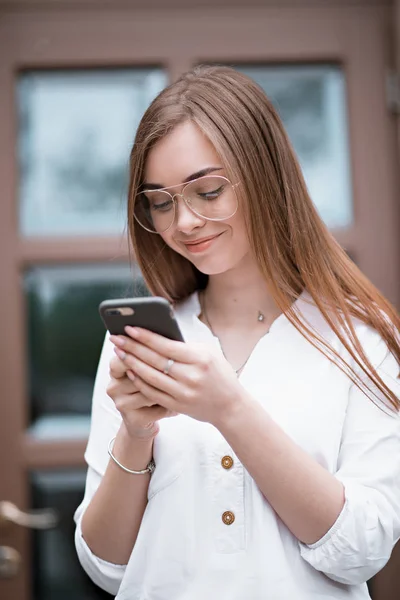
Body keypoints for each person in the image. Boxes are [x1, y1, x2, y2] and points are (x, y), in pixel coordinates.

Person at [74, 65, 400, 600]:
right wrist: (135, 435)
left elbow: (362, 550)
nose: (184, 223)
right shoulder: (139, 345)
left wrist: (230, 408)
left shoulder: (361, 337)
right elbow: (106, 567)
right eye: (161, 201)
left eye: (207, 190)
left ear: (266, 176)